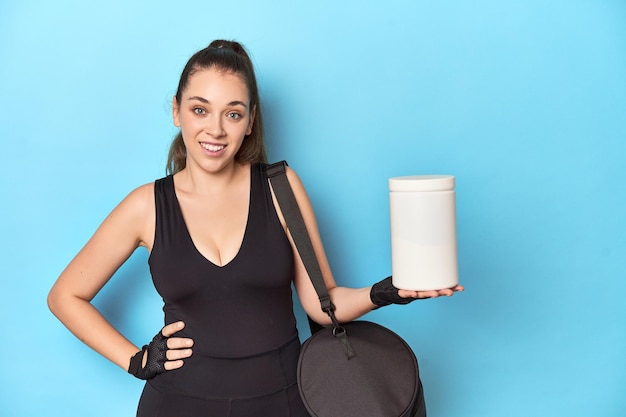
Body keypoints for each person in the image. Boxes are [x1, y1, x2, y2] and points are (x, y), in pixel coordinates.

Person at [48, 39, 463, 417]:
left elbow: (322, 305)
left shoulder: (280, 187)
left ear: (250, 122)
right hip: (176, 404)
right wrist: (134, 359)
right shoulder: (146, 206)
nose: (215, 129)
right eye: (199, 109)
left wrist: (387, 291)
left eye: (233, 113)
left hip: (284, 401)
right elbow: (65, 296)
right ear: (176, 111)